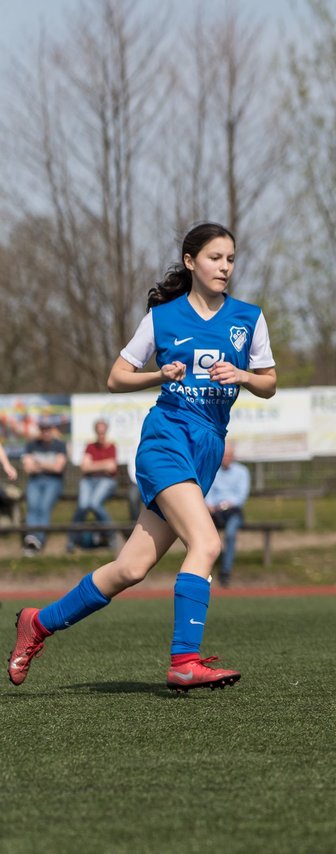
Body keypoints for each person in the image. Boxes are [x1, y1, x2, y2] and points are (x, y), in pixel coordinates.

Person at [8, 222, 277, 692]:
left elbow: (270, 382)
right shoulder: (162, 319)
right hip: (166, 441)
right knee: (207, 544)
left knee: (130, 569)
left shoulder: (249, 318)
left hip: (207, 449)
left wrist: (244, 376)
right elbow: (116, 377)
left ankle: (37, 623)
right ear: (191, 262)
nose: (225, 267)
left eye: (231, 259)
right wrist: (159, 375)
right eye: (215, 258)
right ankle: (184, 661)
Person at [69, 419, 119, 551]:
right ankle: (72, 539)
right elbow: (84, 468)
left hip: (106, 481)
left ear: (106, 432)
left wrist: (93, 465)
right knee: (83, 506)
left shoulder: (112, 446)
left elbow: (112, 468)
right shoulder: (90, 446)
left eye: (103, 432)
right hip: (89, 481)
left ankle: (112, 534)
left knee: (94, 504)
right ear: (96, 432)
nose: (101, 434)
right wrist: (103, 465)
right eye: (99, 432)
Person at [206, 444, 251, 587]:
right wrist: (211, 505)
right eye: (223, 456)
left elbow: (241, 497)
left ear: (233, 456)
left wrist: (226, 505)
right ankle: (203, 571)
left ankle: (225, 572)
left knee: (230, 535)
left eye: (228, 456)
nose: (226, 459)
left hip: (233, 512)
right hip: (214, 512)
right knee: (203, 537)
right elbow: (208, 493)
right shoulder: (213, 471)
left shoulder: (242, 472)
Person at [21, 420, 68, 555]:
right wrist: (49, 465)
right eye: (43, 429)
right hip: (35, 481)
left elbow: (58, 468)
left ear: (52, 430)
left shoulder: (59, 445)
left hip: (53, 481)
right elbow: (28, 469)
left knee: (43, 507)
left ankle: (37, 540)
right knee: (33, 507)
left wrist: (39, 463)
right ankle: (32, 539)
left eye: (48, 429)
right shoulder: (31, 445)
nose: (45, 432)